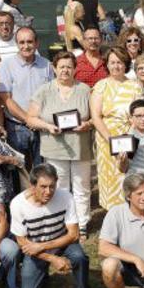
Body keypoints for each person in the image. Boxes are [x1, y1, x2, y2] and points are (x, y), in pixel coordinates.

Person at [9, 164, 96, 288]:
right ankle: (42, 275)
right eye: (43, 187)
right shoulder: (17, 204)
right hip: (35, 250)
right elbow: (22, 242)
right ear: (32, 185)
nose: (48, 192)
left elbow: (74, 234)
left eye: (52, 186)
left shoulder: (66, 197)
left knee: (79, 256)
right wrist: (52, 259)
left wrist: (42, 246)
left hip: (61, 242)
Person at [26, 51, 96, 236]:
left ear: (75, 69)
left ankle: (81, 224)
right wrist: (47, 126)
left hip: (80, 147)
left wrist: (87, 124)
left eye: (69, 67)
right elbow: (30, 118)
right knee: (59, 187)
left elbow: (96, 117)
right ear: (54, 69)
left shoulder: (85, 90)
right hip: (54, 148)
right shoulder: (44, 91)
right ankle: (62, 223)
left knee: (82, 187)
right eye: (61, 67)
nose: (65, 70)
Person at [90, 47, 144, 211]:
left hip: (129, 137)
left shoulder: (135, 86)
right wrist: (111, 140)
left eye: (119, 62)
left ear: (125, 64)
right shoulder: (101, 86)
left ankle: (132, 213)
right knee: (110, 180)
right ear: (107, 64)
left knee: (130, 177)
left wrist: (129, 136)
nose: (116, 66)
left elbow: (139, 113)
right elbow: (96, 116)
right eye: (112, 62)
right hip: (107, 139)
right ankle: (113, 216)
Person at [0, 27, 55, 170]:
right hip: (16, 126)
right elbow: (6, 99)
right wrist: (28, 120)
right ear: (16, 44)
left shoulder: (46, 65)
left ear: (37, 43)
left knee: (41, 169)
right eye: (21, 42)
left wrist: (38, 122)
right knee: (19, 170)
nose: (26, 46)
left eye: (29, 42)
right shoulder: (6, 65)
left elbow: (52, 95)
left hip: (42, 126)